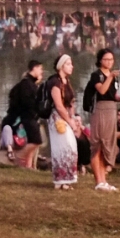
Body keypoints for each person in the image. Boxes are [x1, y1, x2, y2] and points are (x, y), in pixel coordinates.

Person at [81, 48, 120, 192]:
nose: (109, 62)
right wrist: (110, 76)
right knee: (98, 145)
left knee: (108, 144)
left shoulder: (113, 77)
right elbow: (102, 91)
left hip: (111, 110)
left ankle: (104, 180)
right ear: (100, 60)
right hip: (100, 110)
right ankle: (98, 180)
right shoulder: (96, 75)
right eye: (106, 59)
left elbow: (112, 94)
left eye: (111, 60)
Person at [2, 60, 45, 170]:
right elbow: (27, 102)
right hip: (28, 117)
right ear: (34, 68)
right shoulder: (26, 84)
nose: (42, 71)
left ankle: (29, 166)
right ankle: (19, 156)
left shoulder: (30, 84)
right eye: (40, 69)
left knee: (32, 141)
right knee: (36, 141)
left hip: (31, 117)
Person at [45, 53, 79, 191]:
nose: (72, 66)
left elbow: (71, 102)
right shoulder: (54, 82)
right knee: (62, 148)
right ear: (61, 66)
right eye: (68, 64)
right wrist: (69, 121)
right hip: (57, 118)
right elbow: (59, 105)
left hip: (67, 117)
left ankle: (67, 179)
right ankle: (60, 180)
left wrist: (75, 118)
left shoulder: (67, 81)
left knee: (70, 147)